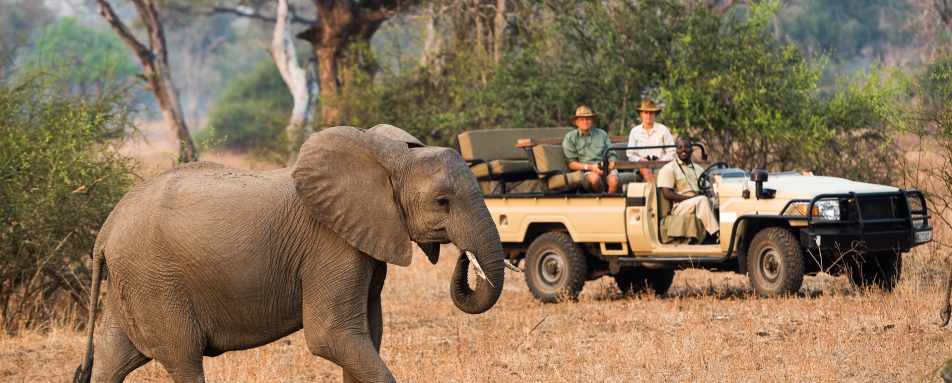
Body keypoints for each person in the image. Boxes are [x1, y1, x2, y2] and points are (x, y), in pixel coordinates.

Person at [657, 137, 719, 242]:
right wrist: (690, 198)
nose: (683, 150)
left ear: (692, 149)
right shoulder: (669, 168)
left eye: (686, 147)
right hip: (680, 206)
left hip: (697, 200)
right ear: (676, 150)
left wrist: (715, 193)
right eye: (680, 147)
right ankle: (717, 234)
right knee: (702, 200)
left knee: (720, 201)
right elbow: (667, 194)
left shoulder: (698, 169)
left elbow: (707, 188)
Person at [562, 105, 619, 193]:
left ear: (592, 121)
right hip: (586, 170)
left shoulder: (602, 134)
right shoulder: (570, 137)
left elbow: (611, 153)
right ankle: (603, 199)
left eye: (588, 119)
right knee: (595, 179)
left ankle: (608, 201)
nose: (585, 122)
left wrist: (611, 163)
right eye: (582, 119)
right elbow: (571, 164)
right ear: (576, 122)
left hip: (605, 167)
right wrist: (591, 167)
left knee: (613, 181)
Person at [626, 98, 675, 182]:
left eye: (651, 113)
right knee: (646, 171)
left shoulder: (663, 130)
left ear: (655, 114)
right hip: (641, 166)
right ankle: (654, 191)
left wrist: (660, 160)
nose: (648, 116)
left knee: (660, 174)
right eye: (646, 112)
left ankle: (653, 192)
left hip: (661, 165)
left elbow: (672, 152)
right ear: (641, 114)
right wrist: (640, 160)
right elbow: (630, 154)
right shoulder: (635, 131)